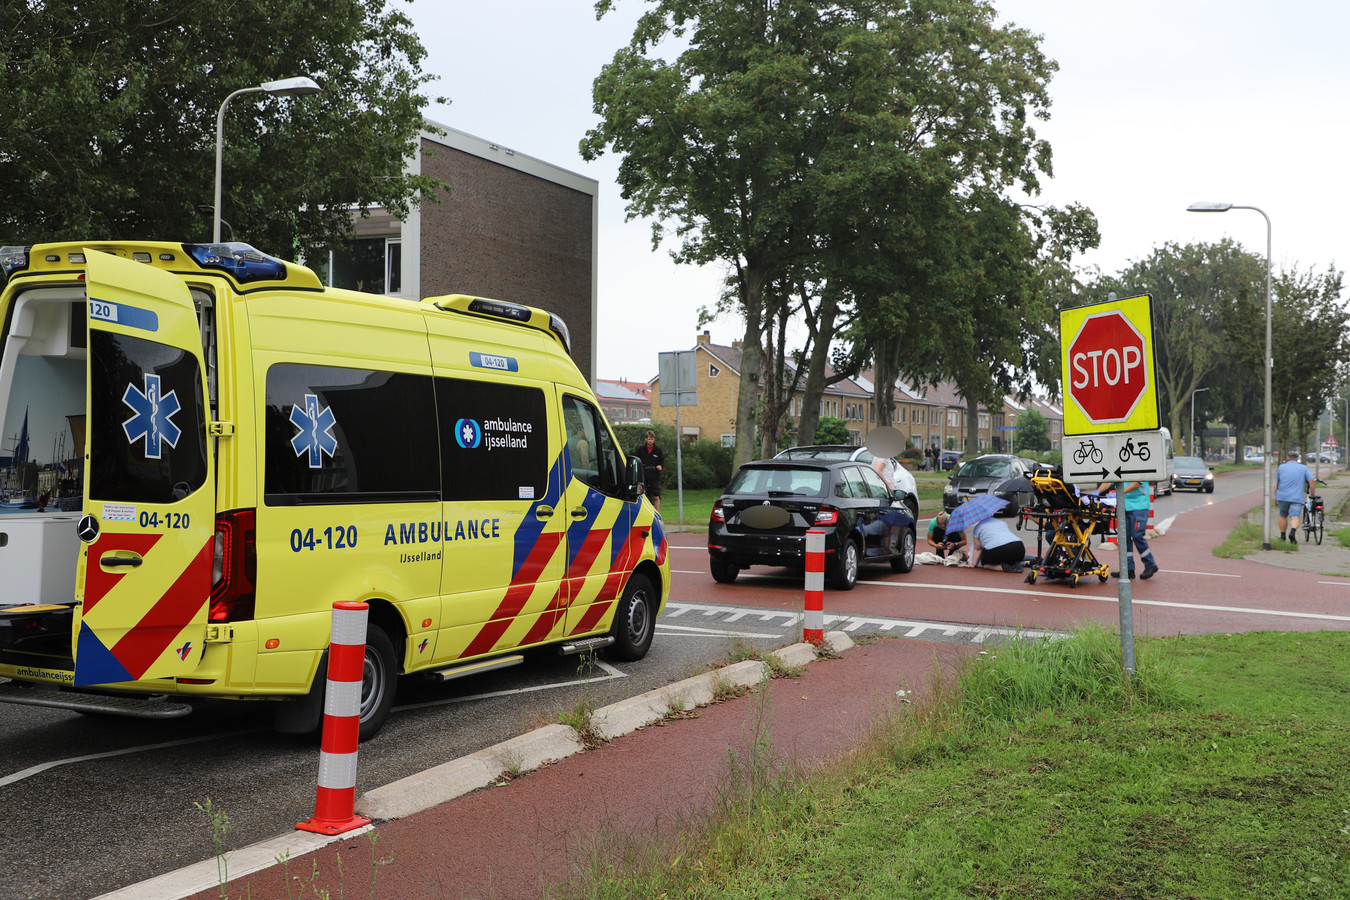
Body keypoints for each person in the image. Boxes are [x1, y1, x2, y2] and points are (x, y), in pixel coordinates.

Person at [1094, 480, 1159, 578]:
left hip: (1139, 506)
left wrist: (1119, 493)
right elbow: (1109, 480)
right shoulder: (1119, 466)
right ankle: (1128, 569)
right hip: (1123, 506)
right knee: (1124, 538)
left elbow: (1136, 483)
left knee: (1137, 535)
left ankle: (1150, 564)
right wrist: (1097, 492)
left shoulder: (1140, 466)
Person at [1275, 449, 1315, 546]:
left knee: (1283, 515)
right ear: (1297, 459)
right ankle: (1292, 532)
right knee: (1295, 516)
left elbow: (1279, 480)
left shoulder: (1281, 467)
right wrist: (1313, 494)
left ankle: (1282, 535)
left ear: (1287, 458)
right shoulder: (1304, 468)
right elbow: (1311, 481)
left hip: (1282, 496)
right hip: (1296, 497)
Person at [632, 429, 664, 512]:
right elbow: (636, 460)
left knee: (656, 496)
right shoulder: (641, 450)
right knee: (642, 496)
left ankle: (658, 514)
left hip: (654, 477)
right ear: (646, 439)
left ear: (654, 439)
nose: (650, 441)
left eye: (652, 439)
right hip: (643, 477)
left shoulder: (658, 450)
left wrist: (660, 466)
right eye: (649, 439)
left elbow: (662, 461)